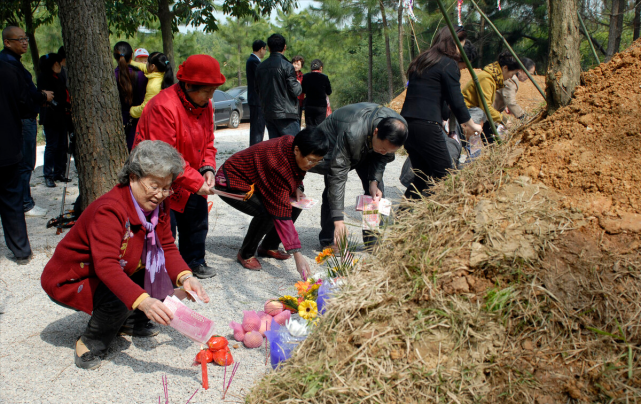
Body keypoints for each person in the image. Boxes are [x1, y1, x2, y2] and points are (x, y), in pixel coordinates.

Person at [41, 141, 210, 370]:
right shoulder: (110, 210)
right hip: (72, 277)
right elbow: (107, 266)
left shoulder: (156, 205)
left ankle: (130, 321)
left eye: (166, 187)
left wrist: (185, 277)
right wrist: (143, 301)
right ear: (132, 177)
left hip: (117, 267)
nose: (160, 194)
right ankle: (90, 343)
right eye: (154, 185)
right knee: (123, 296)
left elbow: (167, 245)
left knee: (151, 272)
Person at [133, 54, 225, 279]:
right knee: (165, 226)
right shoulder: (163, 106)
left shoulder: (206, 105)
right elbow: (164, 157)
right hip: (158, 175)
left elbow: (208, 141)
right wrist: (195, 181)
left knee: (197, 220)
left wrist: (208, 168)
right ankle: (164, 271)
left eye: (213, 91)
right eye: (207, 91)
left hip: (188, 173)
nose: (210, 97)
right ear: (189, 85)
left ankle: (195, 260)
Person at [215, 129, 328, 278]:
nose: (313, 165)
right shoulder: (277, 163)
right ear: (297, 150)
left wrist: (298, 188)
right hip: (232, 182)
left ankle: (268, 246)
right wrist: (297, 254)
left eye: (318, 161)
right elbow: (280, 210)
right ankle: (246, 253)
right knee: (268, 212)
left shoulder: (293, 146)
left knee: (295, 203)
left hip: (258, 181)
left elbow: (294, 173)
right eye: (311, 160)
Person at [308, 103, 408, 248]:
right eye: (383, 148)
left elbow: (381, 158)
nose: (384, 152)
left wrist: (374, 180)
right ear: (376, 131)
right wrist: (339, 221)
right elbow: (337, 176)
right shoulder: (352, 132)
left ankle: (372, 241)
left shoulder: (398, 129)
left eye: (389, 151)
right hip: (334, 143)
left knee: (376, 193)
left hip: (367, 146)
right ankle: (330, 238)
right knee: (333, 188)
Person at [401, 27, 483, 200]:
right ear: (452, 43)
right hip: (427, 126)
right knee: (446, 176)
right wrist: (471, 124)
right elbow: (456, 99)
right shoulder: (448, 63)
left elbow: (438, 98)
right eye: (461, 44)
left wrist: (444, 117)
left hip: (407, 125)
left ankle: (402, 216)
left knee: (422, 177)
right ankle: (441, 218)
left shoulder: (423, 59)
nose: (462, 49)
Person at [0, 26, 51, 218]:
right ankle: (25, 203)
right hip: (22, 120)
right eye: (19, 39)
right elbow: (22, 96)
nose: (24, 42)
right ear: (7, 42)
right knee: (24, 163)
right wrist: (41, 96)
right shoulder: (8, 65)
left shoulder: (12, 62)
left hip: (23, 119)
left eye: (26, 39)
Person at [0, 60, 32, 263]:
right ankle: (21, 250)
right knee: (12, 200)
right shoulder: (9, 71)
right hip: (7, 145)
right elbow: (26, 106)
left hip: (7, 147)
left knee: (12, 197)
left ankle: (21, 250)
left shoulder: (9, 70)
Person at [461, 50, 524, 142]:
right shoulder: (487, 79)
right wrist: (503, 120)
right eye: (512, 74)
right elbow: (486, 108)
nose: (511, 77)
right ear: (505, 68)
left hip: (476, 113)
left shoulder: (491, 78)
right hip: (468, 114)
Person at [255, 33, 302, 138]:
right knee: (293, 148)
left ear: (269, 48)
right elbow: (295, 91)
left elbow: (257, 89)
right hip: (287, 114)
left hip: (269, 113)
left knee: (276, 150)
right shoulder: (287, 66)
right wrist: (298, 84)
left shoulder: (260, 67)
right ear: (284, 47)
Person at [37, 53, 71, 188]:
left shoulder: (59, 76)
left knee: (62, 145)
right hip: (51, 117)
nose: (59, 65)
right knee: (52, 146)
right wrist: (60, 105)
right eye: (56, 63)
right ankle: (48, 175)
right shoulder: (44, 77)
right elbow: (46, 97)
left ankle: (59, 172)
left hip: (62, 117)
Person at [113, 41, 147, 151]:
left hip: (117, 125)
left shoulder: (111, 77)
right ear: (132, 56)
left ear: (115, 57)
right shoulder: (143, 76)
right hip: (139, 125)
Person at [129, 51, 174, 119]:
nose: (145, 64)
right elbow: (143, 67)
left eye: (147, 62)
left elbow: (145, 108)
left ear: (152, 66)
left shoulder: (153, 86)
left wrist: (131, 111)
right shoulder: (163, 73)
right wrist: (129, 62)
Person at [246, 39, 267, 146]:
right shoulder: (254, 61)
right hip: (257, 100)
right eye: (265, 49)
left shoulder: (253, 61)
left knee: (258, 129)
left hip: (256, 100)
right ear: (261, 49)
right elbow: (261, 79)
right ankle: (255, 151)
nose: (265, 52)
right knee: (257, 130)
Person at [302, 59, 332, 129]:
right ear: (321, 68)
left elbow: (303, 90)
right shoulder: (324, 77)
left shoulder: (305, 77)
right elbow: (329, 92)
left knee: (309, 127)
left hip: (309, 105)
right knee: (320, 127)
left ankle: (310, 139)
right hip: (320, 106)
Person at [292, 55, 305, 123]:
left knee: (298, 121)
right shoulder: (289, 74)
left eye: (298, 64)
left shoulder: (302, 76)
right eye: (294, 63)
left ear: (301, 66)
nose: (295, 66)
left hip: (299, 101)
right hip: (290, 101)